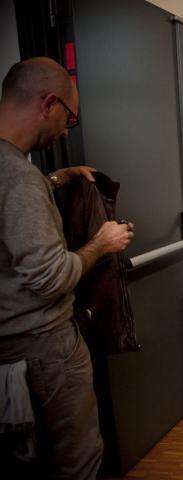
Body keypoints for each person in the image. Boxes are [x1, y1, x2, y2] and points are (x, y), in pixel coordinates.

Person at [0, 57, 134, 479]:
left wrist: (57, 178)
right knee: (77, 460)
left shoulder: (15, 172)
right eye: (69, 117)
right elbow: (51, 276)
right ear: (48, 103)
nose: (66, 130)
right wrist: (101, 244)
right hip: (44, 350)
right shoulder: (20, 178)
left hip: (11, 349)